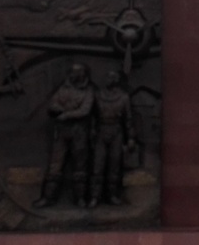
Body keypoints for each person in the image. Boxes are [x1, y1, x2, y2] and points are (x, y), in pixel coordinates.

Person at [39, 63, 95, 207]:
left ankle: (81, 198)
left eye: (79, 72)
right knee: (55, 166)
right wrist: (62, 109)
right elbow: (52, 105)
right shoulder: (63, 89)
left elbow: (85, 110)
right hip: (62, 133)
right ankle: (48, 197)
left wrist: (66, 114)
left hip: (79, 132)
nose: (76, 75)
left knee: (80, 166)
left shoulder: (88, 91)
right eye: (74, 72)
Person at [91, 70, 138, 206]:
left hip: (116, 132)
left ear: (116, 79)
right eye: (107, 76)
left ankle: (112, 195)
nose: (108, 79)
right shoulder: (98, 95)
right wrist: (92, 131)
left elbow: (128, 119)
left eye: (111, 77)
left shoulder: (124, 97)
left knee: (114, 166)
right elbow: (93, 116)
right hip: (101, 132)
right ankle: (95, 196)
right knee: (97, 166)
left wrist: (131, 138)